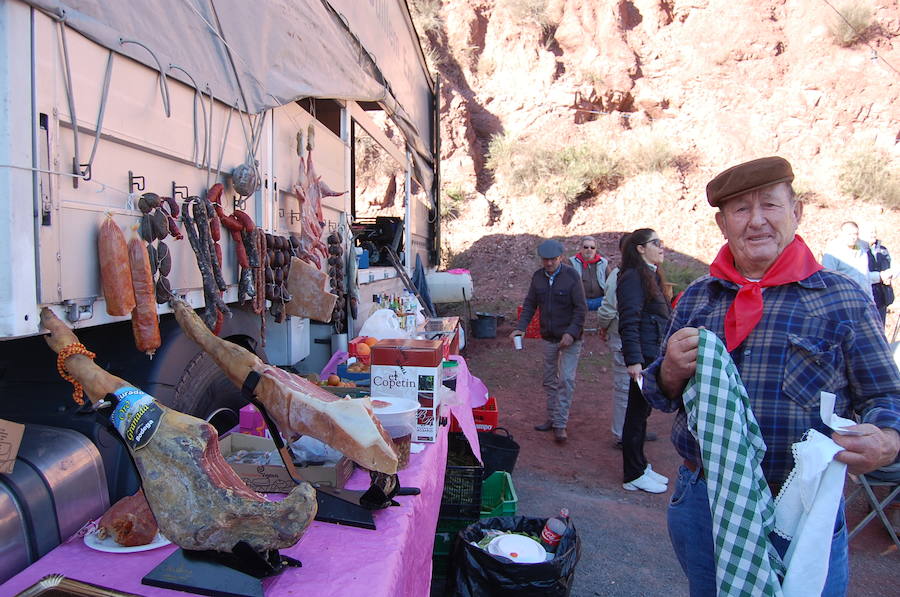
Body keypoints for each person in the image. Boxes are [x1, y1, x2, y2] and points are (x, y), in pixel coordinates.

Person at [642, 156, 900, 595]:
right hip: (705, 500)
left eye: (770, 205)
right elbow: (660, 394)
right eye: (741, 210)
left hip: (804, 505)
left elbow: (886, 398)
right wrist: (667, 371)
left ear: (796, 212)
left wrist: (887, 440)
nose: (756, 221)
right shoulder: (698, 298)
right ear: (723, 225)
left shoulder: (843, 298)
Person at [510, 239, 587, 443]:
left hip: (571, 338)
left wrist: (571, 333)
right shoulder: (538, 278)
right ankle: (552, 418)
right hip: (549, 337)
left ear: (560, 258)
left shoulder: (572, 276)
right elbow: (530, 305)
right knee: (549, 380)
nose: (549, 263)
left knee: (566, 380)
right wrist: (520, 328)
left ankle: (560, 424)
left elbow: (581, 309)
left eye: (553, 259)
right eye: (546, 260)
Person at [616, 228, 672, 493]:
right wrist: (634, 360)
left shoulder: (649, 274)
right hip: (643, 358)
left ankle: (640, 465)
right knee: (636, 415)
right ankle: (633, 473)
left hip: (652, 354)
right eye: (656, 243)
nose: (662, 247)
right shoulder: (632, 277)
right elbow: (629, 320)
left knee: (643, 413)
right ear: (640, 248)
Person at [597, 233, 657, 449]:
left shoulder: (646, 274)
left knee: (636, 387)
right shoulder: (620, 275)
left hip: (634, 340)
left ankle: (633, 429)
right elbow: (609, 308)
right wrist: (603, 326)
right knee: (625, 386)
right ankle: (622, 433)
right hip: (623, 337)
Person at [822, 221, 877, 300]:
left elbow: (866, 279)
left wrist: (871, 301)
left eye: (855, 234)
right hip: (844, 300)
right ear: (841, 234)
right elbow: (828, 279)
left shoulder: (862, 252)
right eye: (849, 234)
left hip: (864, 300)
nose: (853, 237)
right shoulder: (832, 253)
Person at [861, 223, 894, 325]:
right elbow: (859, 275)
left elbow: (893, 266)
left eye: (875, 232)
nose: (874, 235)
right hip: (866, 298)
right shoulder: (859, 252)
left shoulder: (883, 250)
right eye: (870, 232)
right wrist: (880, 277)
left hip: (883, 296)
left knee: (881, 332)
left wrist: (890, 275)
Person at [569, 235, 609, 311]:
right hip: (580, 301)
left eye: (592, 247)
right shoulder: (572, 262)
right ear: (581, 248)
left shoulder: (603, 263)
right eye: (586, 247)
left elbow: (610, 283)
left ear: (596, 249)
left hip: (600, 300)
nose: (589, 250)